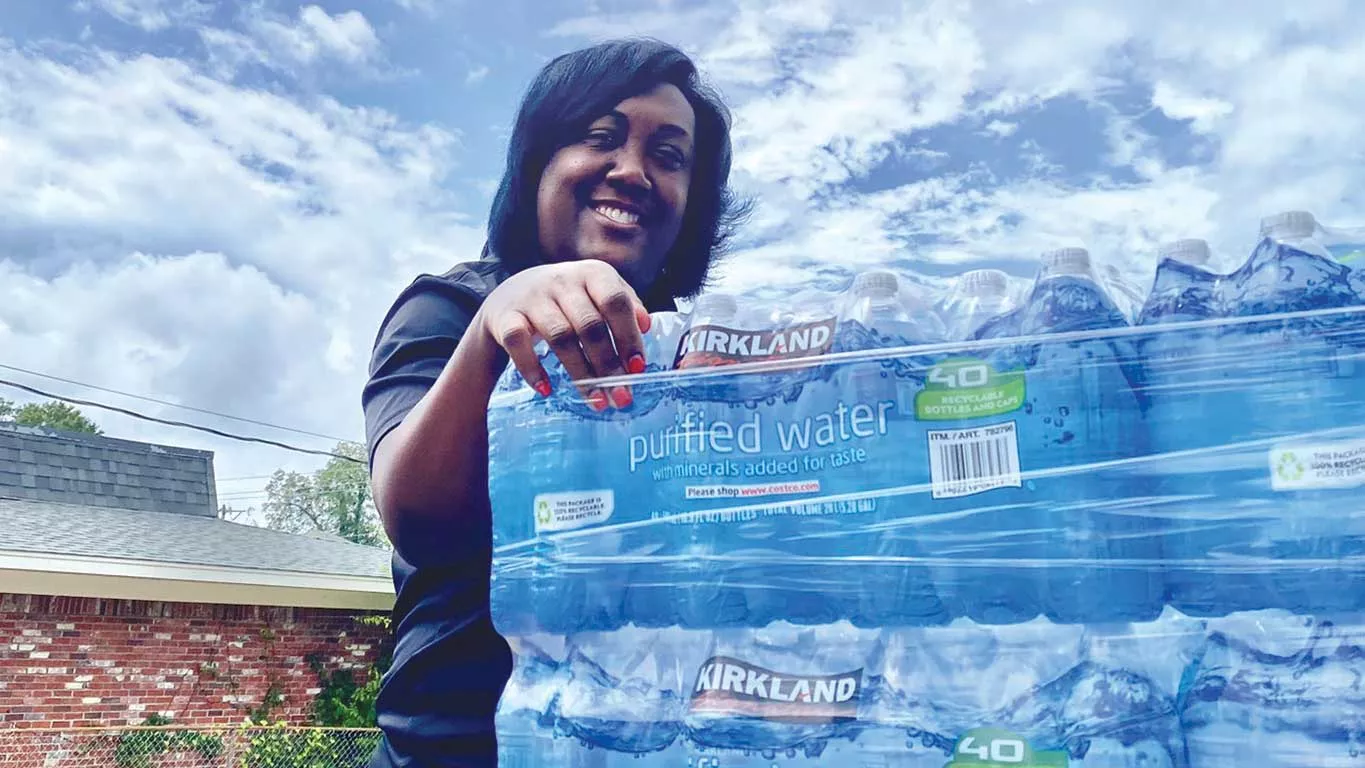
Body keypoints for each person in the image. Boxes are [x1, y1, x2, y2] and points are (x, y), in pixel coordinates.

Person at [360, 38, 748, 767]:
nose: (631, 170)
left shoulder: (695, 353)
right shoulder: (448, 311)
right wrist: (492, 331)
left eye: (668, 156)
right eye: (599, 137)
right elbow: (417, 520)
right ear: (536, 166)